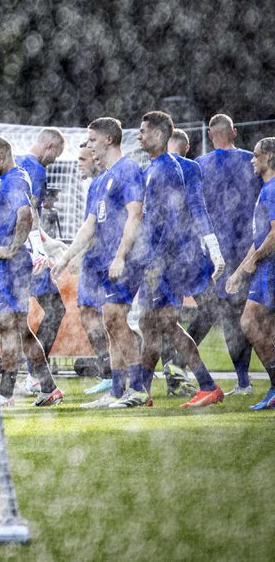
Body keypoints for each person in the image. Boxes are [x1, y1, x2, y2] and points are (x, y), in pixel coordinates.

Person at [112, 111, 222, 409]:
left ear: (159, 134)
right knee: (150, 325)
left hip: (166, 264)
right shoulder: (153, 168)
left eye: (144, 131)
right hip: (156, 261)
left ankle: (208, 385)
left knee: (166, 325)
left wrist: (155, 264)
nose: (139, 135)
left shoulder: (168, 169)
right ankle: (141, 390)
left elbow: (173, 222)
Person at [54, 117, 143, 408]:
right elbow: (90, 225)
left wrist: (120, 255)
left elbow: (135, 215)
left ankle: (139, 389)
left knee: (116, 319)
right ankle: (118, 390)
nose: (89, 145)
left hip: (124, 260)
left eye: (92, 140)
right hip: (105, 261)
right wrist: (66, 256)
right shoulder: (102, 179)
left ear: (108, 139)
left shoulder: (128, 169)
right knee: (110, 322)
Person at [0, 137, 63, 407]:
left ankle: (5, 394)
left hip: (12, 268)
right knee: (21, 329)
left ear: (2, 156)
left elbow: (26, 215)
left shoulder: (15, 179)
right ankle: (48, 388)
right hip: (4, 267)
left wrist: (13, 248)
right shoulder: (6, 180)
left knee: (9, 327)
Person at [193, 114, 263, 395]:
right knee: (252, 315)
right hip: (251, 248)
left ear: (210, 135)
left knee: (225, 316)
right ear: (234, 132)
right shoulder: (251, 160)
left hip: (215, 252)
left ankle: (243, 381)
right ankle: (245, 380)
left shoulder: (201, 165)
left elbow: (195, 206)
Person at [164, 128, 227, 395]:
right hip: (188, 253)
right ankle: (176, 369)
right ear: (188, 147)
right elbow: (198, 208)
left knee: (165, 318)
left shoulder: (152, 169)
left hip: (164, 255)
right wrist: (214, 247)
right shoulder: (189, 167)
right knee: (209, 308)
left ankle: (173, 373)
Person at [52, 141, 114, 402]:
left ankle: (123, 375)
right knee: (89, 316)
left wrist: (76, 255)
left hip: (105, 262)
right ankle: (109, 374)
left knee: (113, 319)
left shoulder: (108, 182)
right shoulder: (94, 186)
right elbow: (90, 226)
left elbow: (102, 228)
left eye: (82, 159)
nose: (78, 163)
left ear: (96, 158)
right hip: (92, 261)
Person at [226, 137, 275, 410]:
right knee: (268, 329)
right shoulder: (265, 188)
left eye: (256, 155)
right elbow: (259, 238)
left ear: (269, 157)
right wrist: (236, 273)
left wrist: (255, 259)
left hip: (271, 266)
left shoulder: (273, 188)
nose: (252, 159)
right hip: (265, 264)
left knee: (248, 322)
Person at [17, 128, 67, 361]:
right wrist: (39, 248)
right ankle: (36, 371)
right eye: (56, 155)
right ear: (50, 147)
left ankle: (23, 371)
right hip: (29, 254)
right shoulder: (36, 170)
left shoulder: (16, 163)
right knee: (56, 310)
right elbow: (31, 213)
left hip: (14, 250)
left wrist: (47, 240)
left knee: (16, 314)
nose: (54, 161)